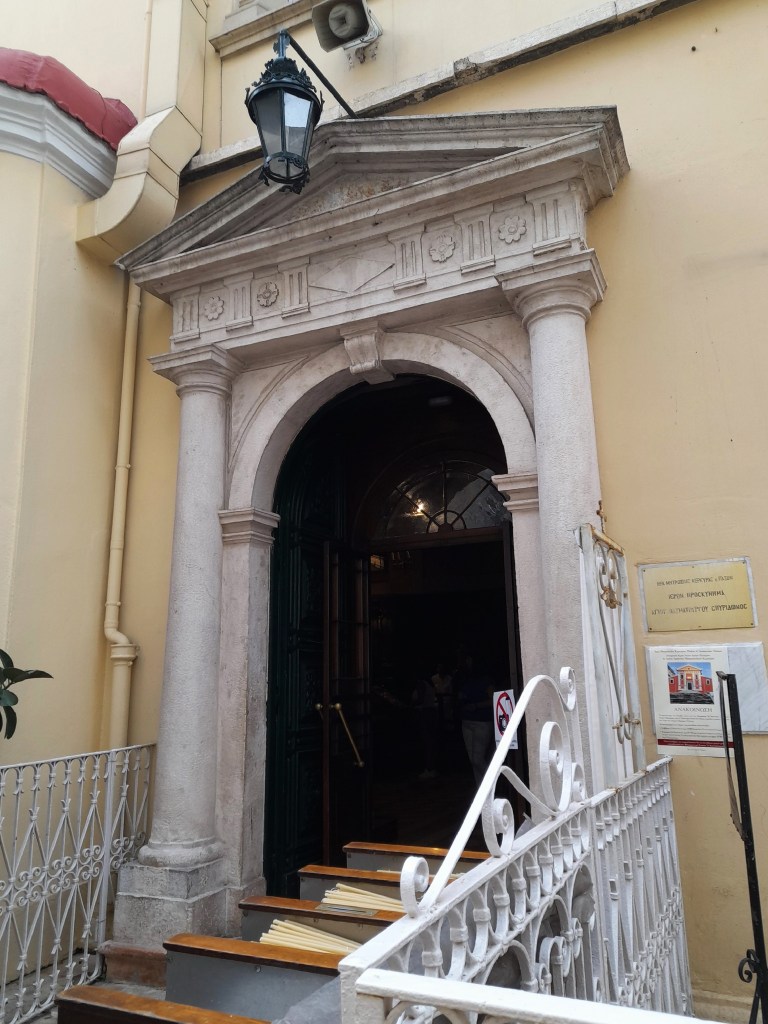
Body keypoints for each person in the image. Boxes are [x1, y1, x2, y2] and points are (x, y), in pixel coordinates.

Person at [455, 654, 494, 787]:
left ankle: (490, 784)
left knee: (478, 758)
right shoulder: (465, 679)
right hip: (466, 721)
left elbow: (493, 699)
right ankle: (480, 788)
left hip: (482, 722)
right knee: (473, 759)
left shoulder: (486, 680)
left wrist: (476, 705)